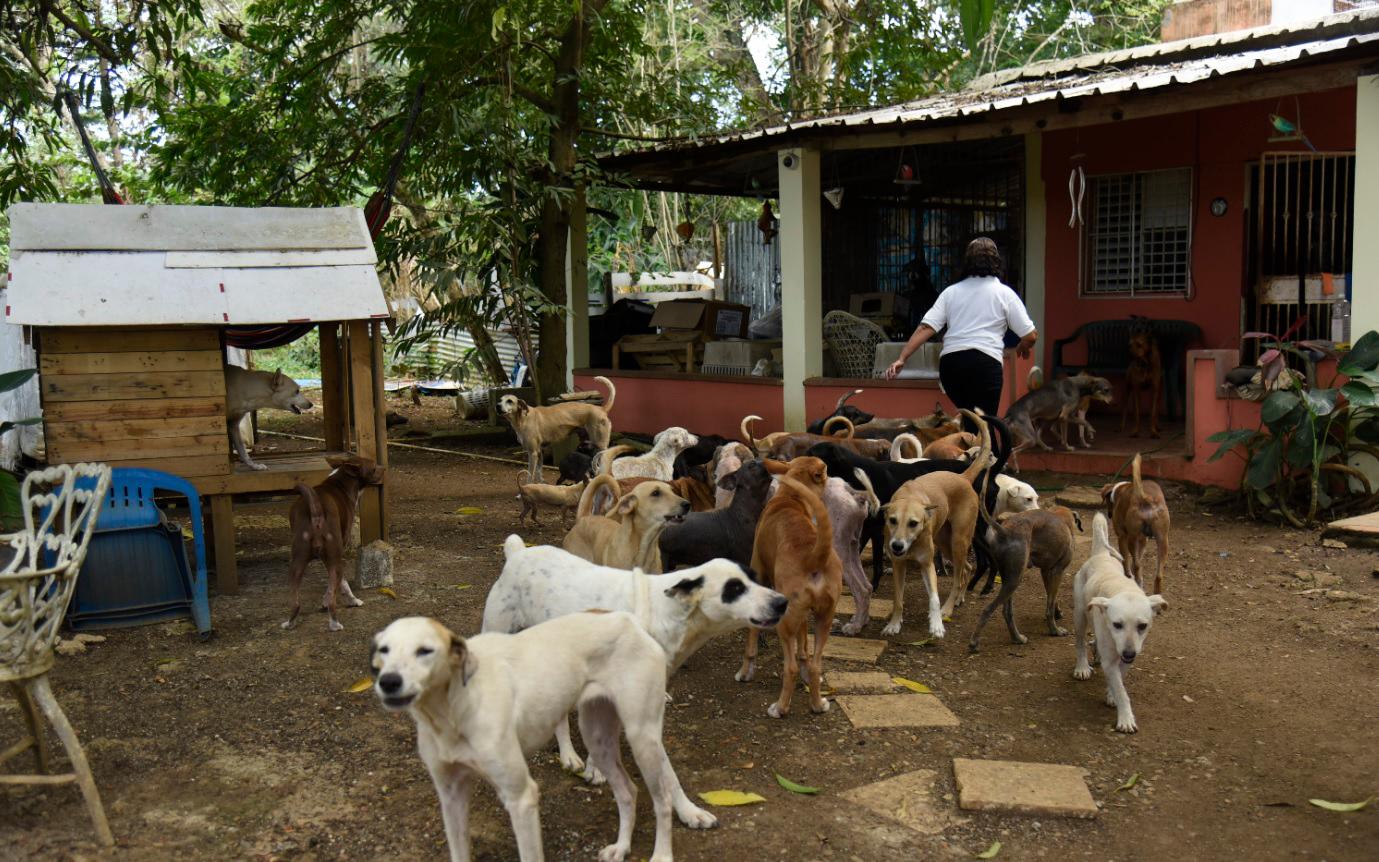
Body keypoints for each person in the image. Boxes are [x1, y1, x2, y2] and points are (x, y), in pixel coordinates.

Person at [884, 237, 1037, 422]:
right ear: (997, 262)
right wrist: (1023, 347)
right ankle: (989, 450)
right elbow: (1030, 335)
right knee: (985, 423)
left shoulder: (951, 292)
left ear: (967, 262)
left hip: (952, 367)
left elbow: (926, 327)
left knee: (971, 421)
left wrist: (902, 358)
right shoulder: (1004, 293)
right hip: (985, 365)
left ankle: (972, 446)